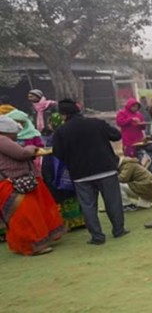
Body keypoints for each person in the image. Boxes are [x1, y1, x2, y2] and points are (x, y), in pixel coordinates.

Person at [51, 99, 128, 245]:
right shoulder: (96, 123)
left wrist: (71, 160)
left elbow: (58, 153)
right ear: (78, 110)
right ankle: (119, 230)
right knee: (113, 202)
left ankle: (97, 237)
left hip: (80, 173)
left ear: (62, 114)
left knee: (88, 206)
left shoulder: (61, 131)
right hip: (106, 168)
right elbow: (116, 135)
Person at [0, 117, 65, 255]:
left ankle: (33, 242)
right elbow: (22, 154)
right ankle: (32, 244)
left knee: (29, 214)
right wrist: (32, 148)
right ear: (7, 131)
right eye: (15, 132)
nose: (17, 135)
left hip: (17, 182)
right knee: (27, 216)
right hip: (14, 183)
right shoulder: (2, 140)